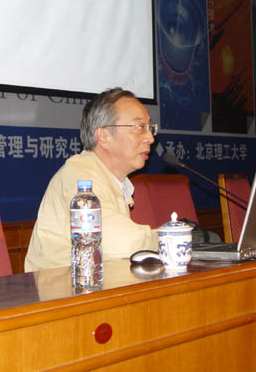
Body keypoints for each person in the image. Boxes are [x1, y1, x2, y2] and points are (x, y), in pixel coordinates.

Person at [24, 87, 158, 271]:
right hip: (65, 286)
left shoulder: (106, 176)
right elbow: (123, 244)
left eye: (150, 128)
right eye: (140, 127)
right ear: (104, 136)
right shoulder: (80, 177)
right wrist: (173, 237)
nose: (150, 138)